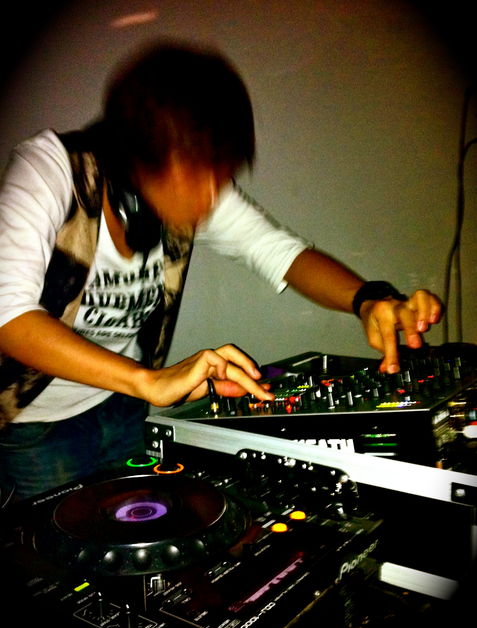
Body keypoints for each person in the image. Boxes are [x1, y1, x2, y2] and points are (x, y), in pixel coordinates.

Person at [0, 41, 442, 501]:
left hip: (124, 408)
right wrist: (148, 380)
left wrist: (368, 300)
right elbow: (8, 317)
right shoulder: (49, 169)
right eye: (199, 175)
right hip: (37, 428)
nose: (212, 195)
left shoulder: (199, 190)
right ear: (140, 158)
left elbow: (281, 252)